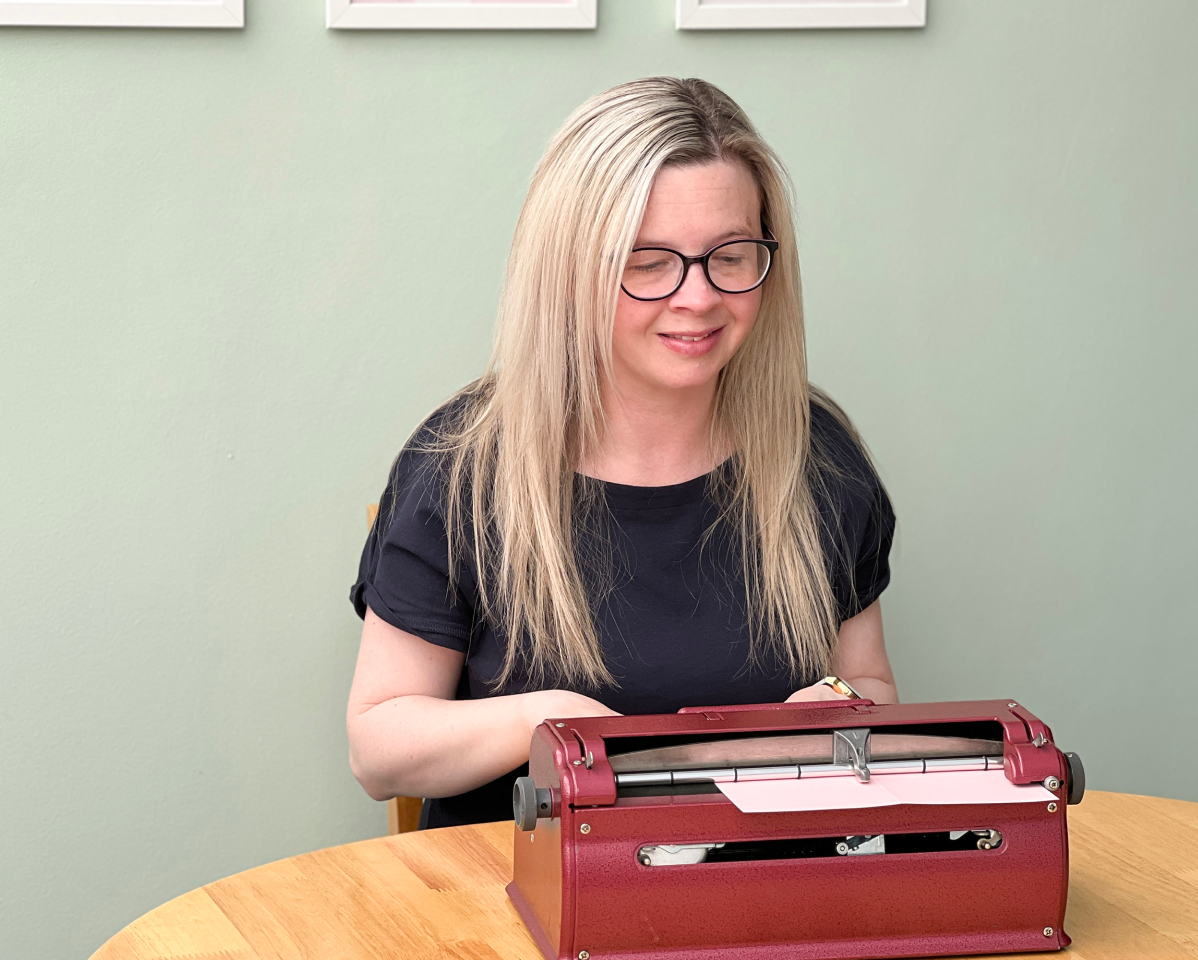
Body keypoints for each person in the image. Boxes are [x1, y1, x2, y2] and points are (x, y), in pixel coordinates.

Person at [347, 77, 897, 829]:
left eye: (730, 255)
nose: (698, 298)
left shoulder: (819, 459)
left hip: (759, 895)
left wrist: (836, 710)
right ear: (571, 269)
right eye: (648, 261)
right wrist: (553, 722)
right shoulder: (461, 469)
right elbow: (377, 749)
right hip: (509, 910)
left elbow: (867, 682)